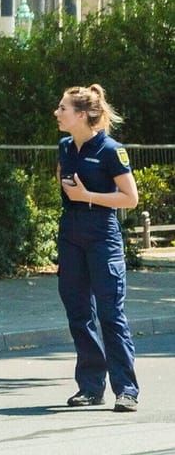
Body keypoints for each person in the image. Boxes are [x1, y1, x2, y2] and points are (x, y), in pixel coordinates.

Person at [54, 84, 140, 412]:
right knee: (78, 312)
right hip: (71, 232)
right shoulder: (64, 146)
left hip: (102, 234)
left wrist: (87, 196)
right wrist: (75, 198)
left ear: (82, 115)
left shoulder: (110, 149)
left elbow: (130, 198)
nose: (57, 113)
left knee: (110, 314)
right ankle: (91, 387)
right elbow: (62, 180)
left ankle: (127, 389)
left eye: (63, 108)